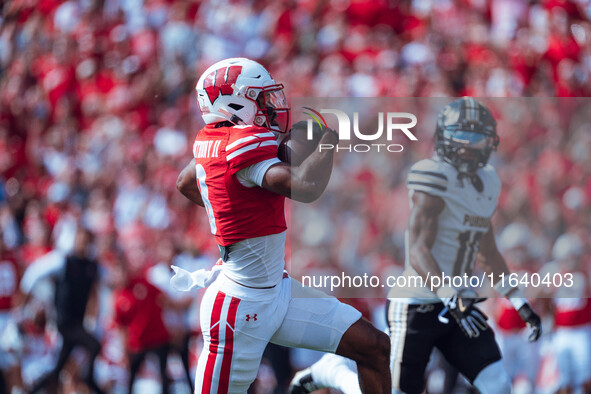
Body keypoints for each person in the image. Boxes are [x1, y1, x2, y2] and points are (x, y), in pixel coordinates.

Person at [289, 97, 543, 394]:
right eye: (472, 136)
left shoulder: (481, 186)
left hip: (455, 303)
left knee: (498, 385)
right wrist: (451, 295)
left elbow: (486, 252)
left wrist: (518, 301)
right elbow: (420, 250)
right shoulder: (432, 183)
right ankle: (333, 373)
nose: (480, 144)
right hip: (417, 306)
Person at [174, 57, 391, 393]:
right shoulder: (239, 145)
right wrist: (328, 143)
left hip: (278, 293)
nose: (271, 107)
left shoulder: (216, 141)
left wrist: (230, 203)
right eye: (261, 99)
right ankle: (331, 373)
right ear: (234, 104)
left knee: (375, 347)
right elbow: (306, 188)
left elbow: (186, 181)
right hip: (237, 309)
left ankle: (328, 372)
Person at [20, 227, 104, 394]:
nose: (81, 243)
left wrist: (93, 317)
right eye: (79, 239)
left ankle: (31, 391)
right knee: (94, 345)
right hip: (65, 323)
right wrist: (23, 303)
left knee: (58, 368)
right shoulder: (62, 261)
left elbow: (96, 292)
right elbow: (33, 273)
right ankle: (89, 378)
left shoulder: (91, 266)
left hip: (78, 322)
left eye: (85, 240)